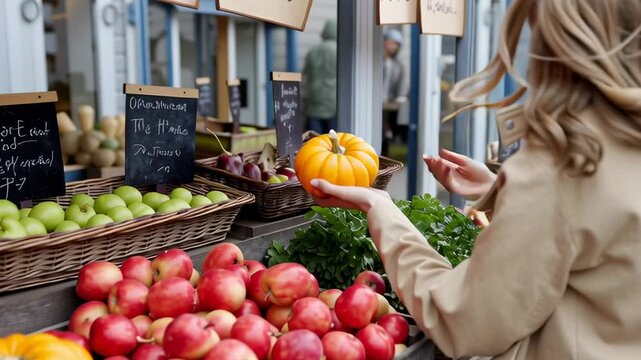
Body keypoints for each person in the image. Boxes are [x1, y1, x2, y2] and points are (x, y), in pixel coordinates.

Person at [310, 0, 641, 359]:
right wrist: (500, 192)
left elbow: (462, 320)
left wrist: (381, 208)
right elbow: (599, 221)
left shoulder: (565, 163)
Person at [302, 20, 337, 135]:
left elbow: (305, 75)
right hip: (333, 102)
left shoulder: (312, 51)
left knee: (315, 139)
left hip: (313, 100)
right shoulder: (339, 51)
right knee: (333, 139)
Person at [381, 28, 409, 156]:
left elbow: (402, 84)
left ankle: (384, 157)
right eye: (392, 42)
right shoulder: (377, 60)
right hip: (376, 101)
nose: (394, 47)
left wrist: (399, 97)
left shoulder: (397, 64)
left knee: (387, 133)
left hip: (389, 104)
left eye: (397, 44)